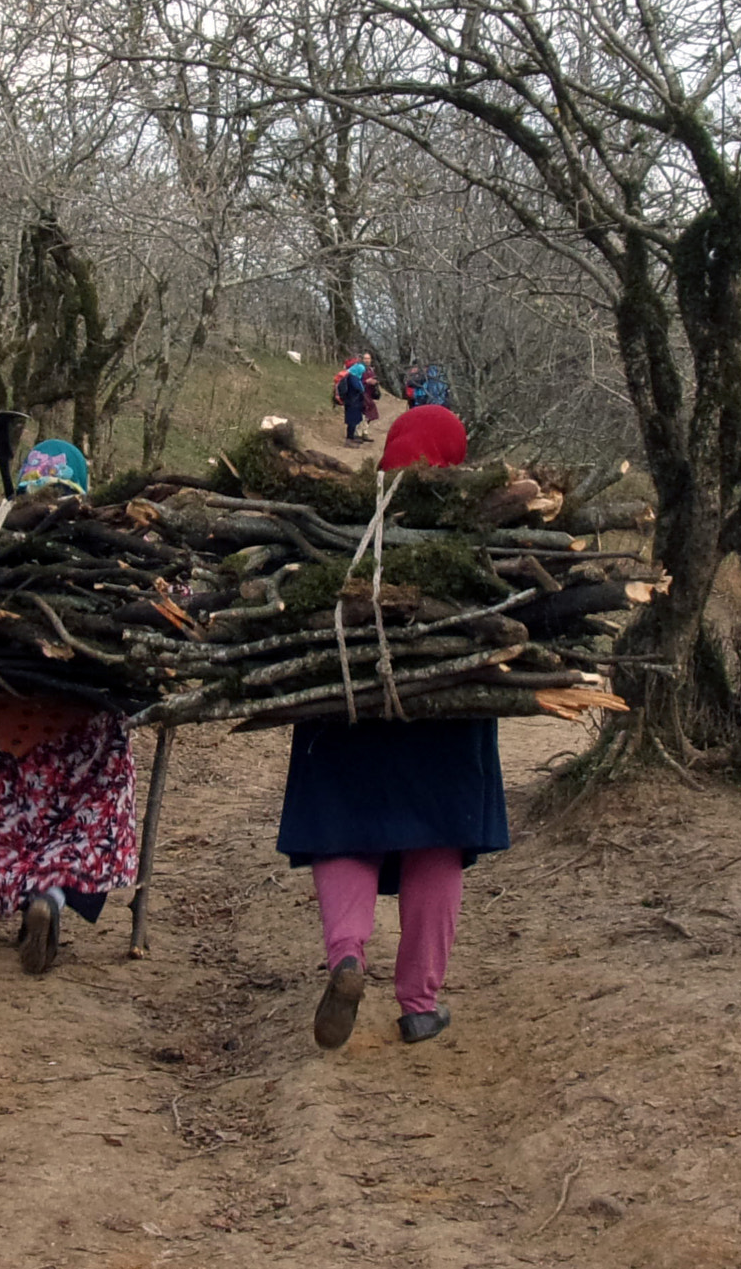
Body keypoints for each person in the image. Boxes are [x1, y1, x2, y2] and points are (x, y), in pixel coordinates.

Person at [276, 407, 508, 1048]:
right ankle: (419, 1003)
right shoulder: (484, 529)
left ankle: (347, 958)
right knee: (438, 841)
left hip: (346, 707)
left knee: (344, 832)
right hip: (446, 719)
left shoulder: (344, 522)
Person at [0, 434, 138, 974]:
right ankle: (49, 897)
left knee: (11, 815)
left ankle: (30, 896)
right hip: (77, 717)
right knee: (88, 804)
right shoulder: (104, 547)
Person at [333, 359, 371, 446]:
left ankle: (352, 437)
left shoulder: (352, 376)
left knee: (354, 420)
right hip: (352, 402)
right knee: (352, 421)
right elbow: (358, 388)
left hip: (352, 402)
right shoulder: (353, 378)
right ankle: (349, 439)